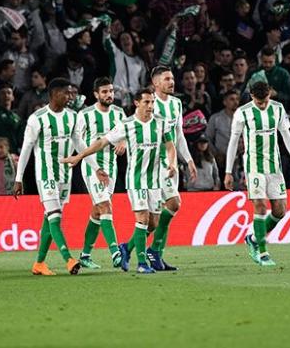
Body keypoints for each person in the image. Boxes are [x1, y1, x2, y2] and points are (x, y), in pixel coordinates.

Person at [64, 87, 177, 274]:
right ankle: (142, 263)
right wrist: (80, 156)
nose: (150, 106)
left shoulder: (162, 123)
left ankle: (126, 248)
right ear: (137, 103)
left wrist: (172, 163)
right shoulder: (127, 124)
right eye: (146, 102)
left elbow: (170, 146)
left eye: (152, 102)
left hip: (155, 180)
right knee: (142, 219)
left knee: (153, 223)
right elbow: (101, 142)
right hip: (135, 180)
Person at [14, 78, 93, 276]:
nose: (69, 97)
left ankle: (39, 263)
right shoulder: (37, 118)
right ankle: (69, 259)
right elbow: (26, 149)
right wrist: (18, 178)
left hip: (64, 175)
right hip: (45, 175)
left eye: (70, 93)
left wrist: (95, 166)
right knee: (55, 217)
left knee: (50, 219)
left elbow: (79, 143)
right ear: (54, 94)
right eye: (65, 93)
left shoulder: (73, 116)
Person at [224, 81, 290, 266]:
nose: (263, 104)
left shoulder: (277, 109)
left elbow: (285, 134)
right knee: (260, 206)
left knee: (280, 210)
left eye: (265, 100)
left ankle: (253, 237)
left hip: (274, 167)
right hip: (254, 166)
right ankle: (262, 252)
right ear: (252, 96)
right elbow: (233, 142)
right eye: (259, 101)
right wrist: (228, 171)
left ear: (270, 94)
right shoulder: (243, 112)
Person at [147, 66, 196, 271]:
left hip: (170, 165)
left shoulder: (176, 104)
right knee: (163, 212)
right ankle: (147, 250)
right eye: (167, 79)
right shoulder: (149, 103)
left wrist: (189, 160)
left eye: (172, 78)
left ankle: (153, 252)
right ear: (156, 83)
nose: (171, 82)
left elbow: (179, 134)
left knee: (164, 213)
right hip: (152, 164)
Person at [76, 78, 126, 269]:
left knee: (97, 212)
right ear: (96, 94)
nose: (109, 95)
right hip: (92, 167)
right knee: (105, 206)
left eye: (111, 91)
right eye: (104, 92)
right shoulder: (85, 114)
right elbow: (77, 140)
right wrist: (90, 164)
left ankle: (85, 255)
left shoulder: (119, 113)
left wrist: (124, 142)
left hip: (111, 167)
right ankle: (115, 252)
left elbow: (129, 134)